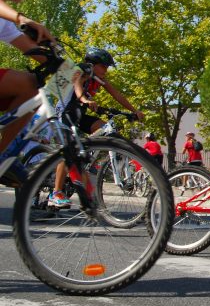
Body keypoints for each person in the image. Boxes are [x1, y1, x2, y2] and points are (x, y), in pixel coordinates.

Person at [48, 47, 145, 208]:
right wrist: (84, 99)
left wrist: (134, 111)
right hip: (66, 112)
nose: (106, 70)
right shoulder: (82, 70)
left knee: (107, 130)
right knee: (69, 150)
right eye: (104, 66)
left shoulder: (99, 79)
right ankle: (56, 192)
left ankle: (88, 162)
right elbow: (77, 83)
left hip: (80, 115)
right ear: (93, 64)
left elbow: (117, 94)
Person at [0, 0, 53, 187]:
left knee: (32, 86)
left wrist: (73, 71)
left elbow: (32, 50)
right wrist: (21, 17)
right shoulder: (7, 14)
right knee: (27, 84)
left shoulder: (5, 22)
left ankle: (4, 158)